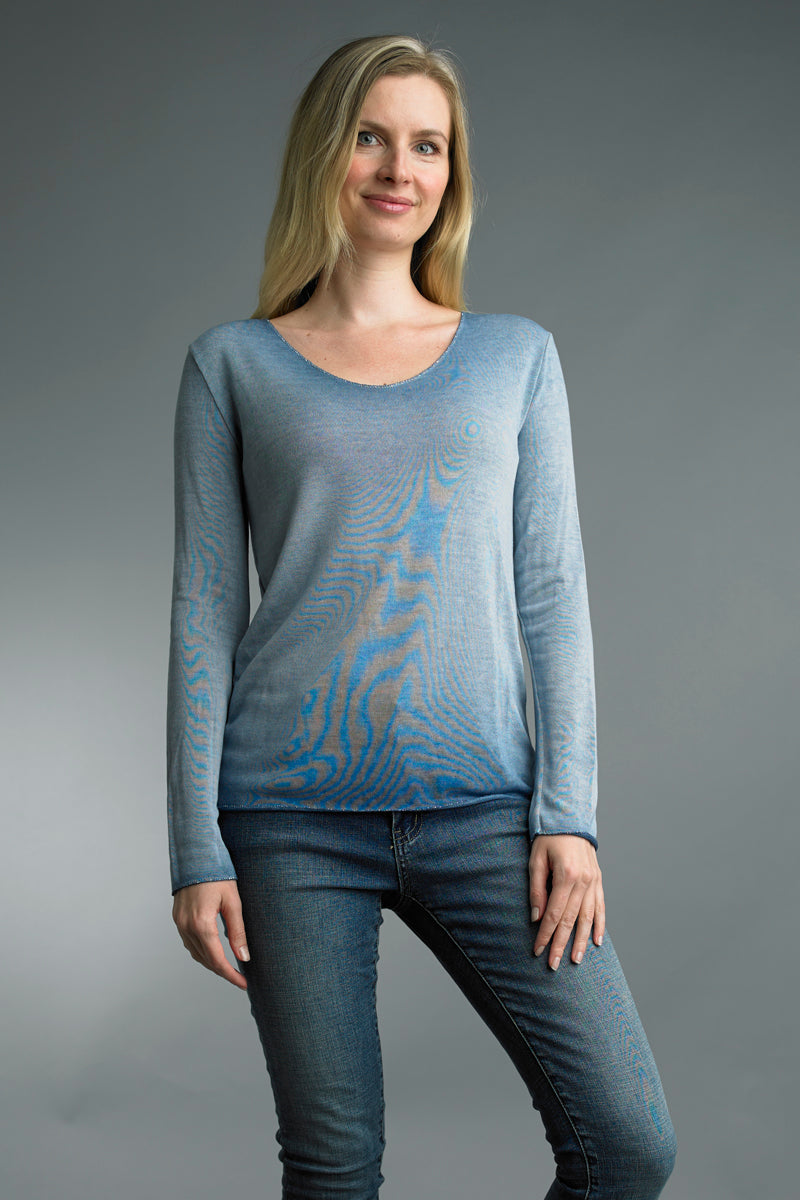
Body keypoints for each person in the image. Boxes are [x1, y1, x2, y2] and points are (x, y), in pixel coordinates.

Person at [167, 33, 677, 1200]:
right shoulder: (232, 366)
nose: (400, 168)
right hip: (288, 820)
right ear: (324, 154)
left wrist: (568, 817)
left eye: (428, 145)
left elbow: (551, 595)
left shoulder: (514, 358)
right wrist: (196, 848)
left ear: (452, 172)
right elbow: (204, 613)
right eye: (370, 137)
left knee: (625, 1144)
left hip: (485, 812)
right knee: (334, 1171)